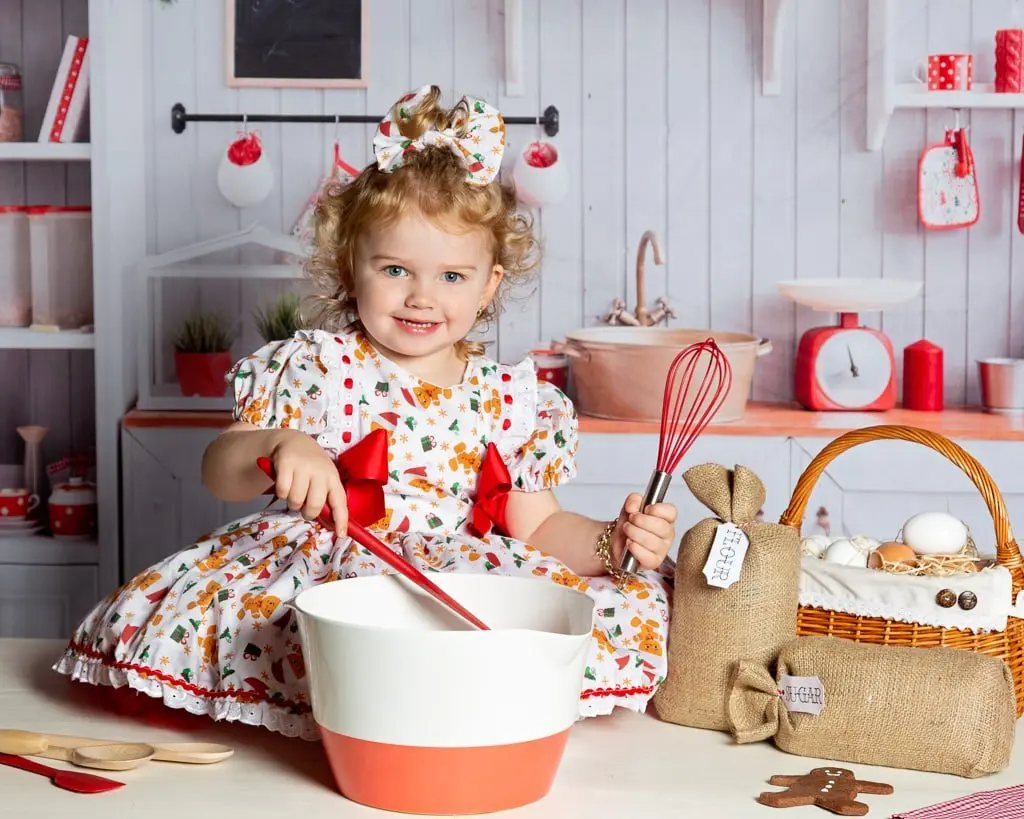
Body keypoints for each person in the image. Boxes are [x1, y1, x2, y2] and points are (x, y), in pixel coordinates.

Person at [54, 85, 677, 740]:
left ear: (490, 282)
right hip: (330, 571)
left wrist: (612, 539)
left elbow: (539, 529)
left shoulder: (511, 400)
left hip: (456, 581)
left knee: (595, 613)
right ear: (353, 266)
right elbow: (219, 467)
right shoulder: (317, 367)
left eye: (452, 277)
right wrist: (280, 443)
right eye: (395, 268)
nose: (421, 296)